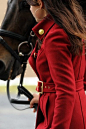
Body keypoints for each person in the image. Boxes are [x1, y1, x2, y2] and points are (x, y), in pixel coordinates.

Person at [26, 0, 86, 129]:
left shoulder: (55, 35)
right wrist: (45, 96)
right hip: (74, 112)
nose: (30, 10)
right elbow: (79, 79)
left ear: (40, 3)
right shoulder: (72, 27)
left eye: (30, 5)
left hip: (62, 117)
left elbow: (66, 91)